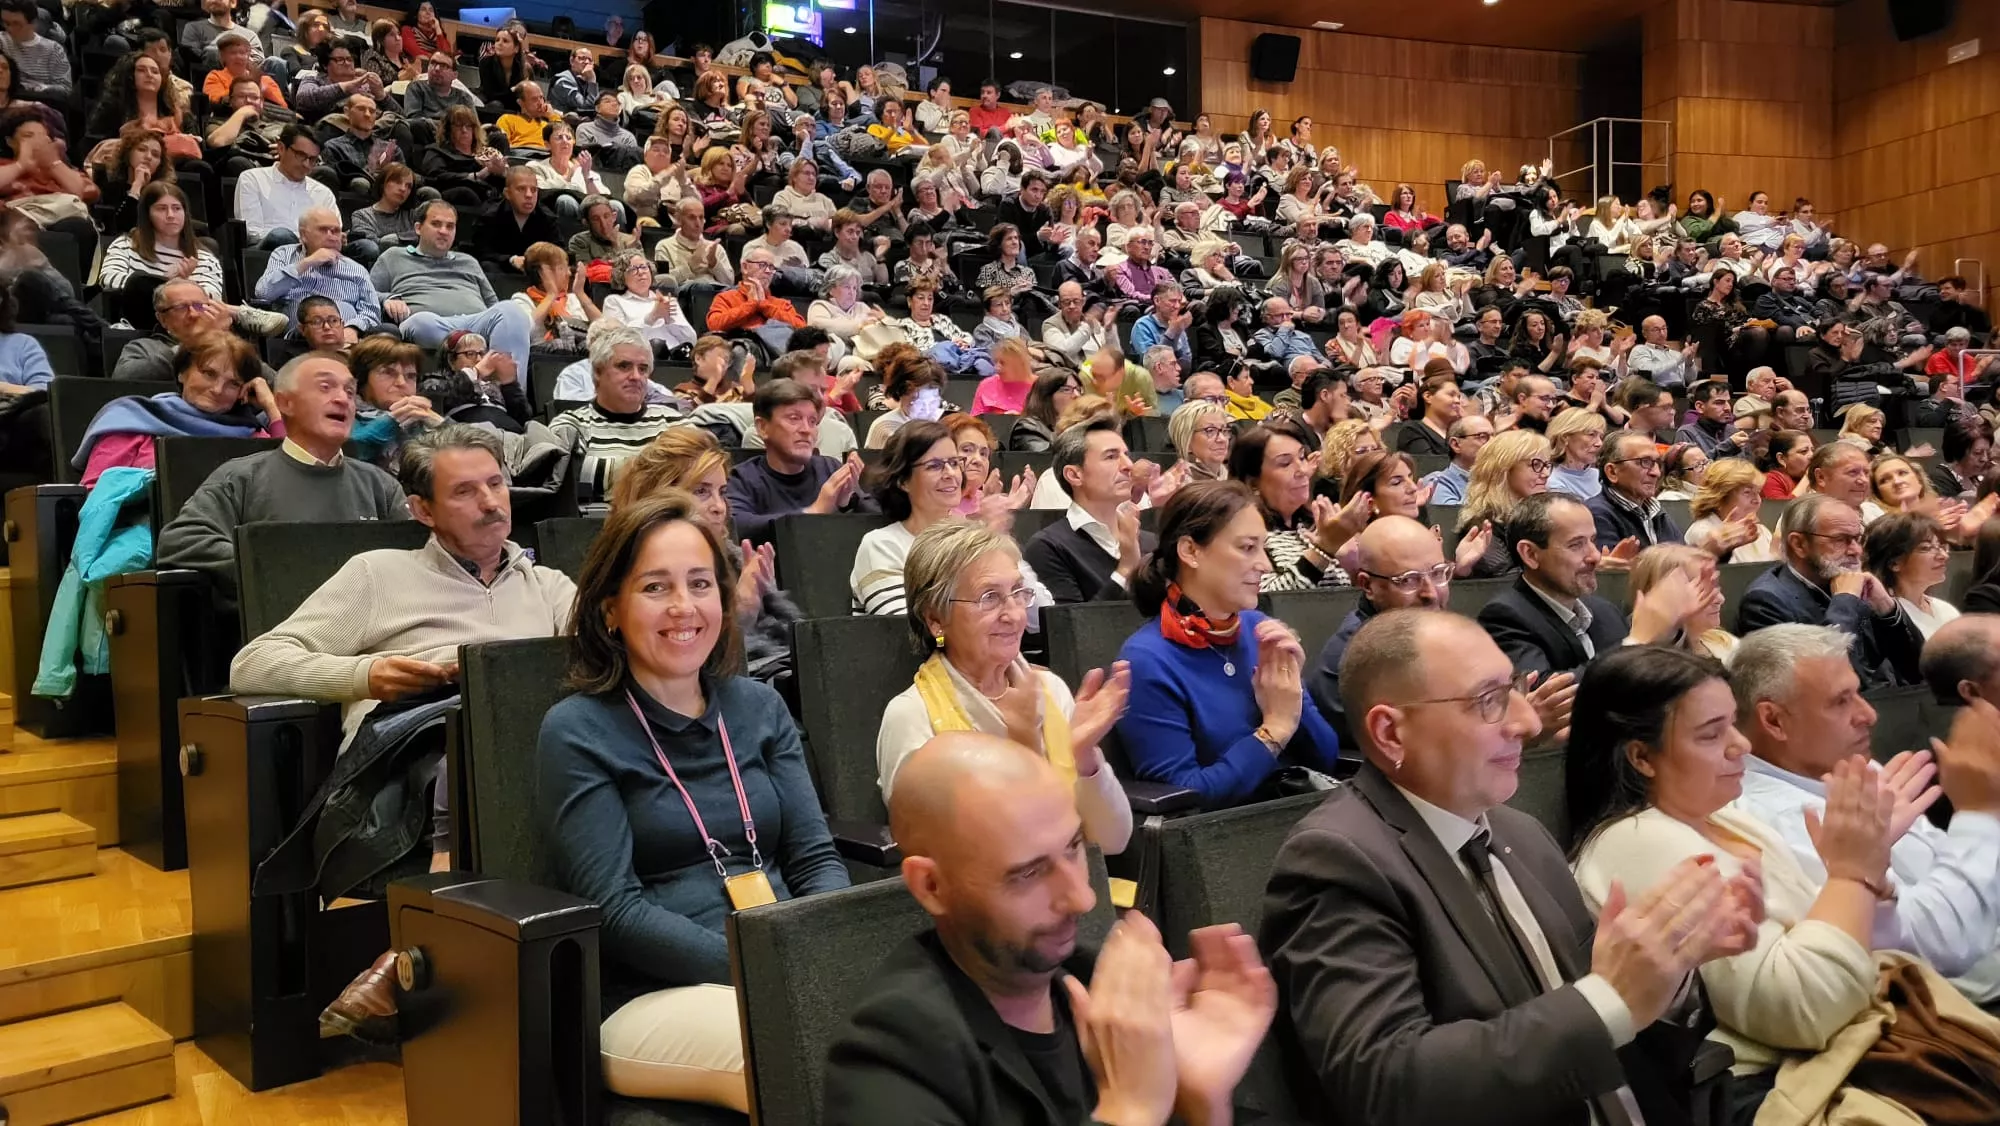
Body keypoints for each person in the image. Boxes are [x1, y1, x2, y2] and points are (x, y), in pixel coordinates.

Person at [1266, 610, 1753, 1125]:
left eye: (1516, 688)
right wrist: (1611, 997)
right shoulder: (1337, 859)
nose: (1529, 722)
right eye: (1490, 700)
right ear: (1391, 732)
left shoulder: (1522, 834)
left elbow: (1606, 1031)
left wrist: (1667, 973)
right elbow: (1387, 1082)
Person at [1565, 641, 2000, 1120]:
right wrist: (1855, 872)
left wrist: (1865, 872)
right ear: (1642, 758)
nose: (1742, 745)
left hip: (1854, 1051)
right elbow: (1803, 1009)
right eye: (1712, 735)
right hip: (1769, 1087)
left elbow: (1842, 946)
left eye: (1733, 722)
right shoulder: (1640, 840)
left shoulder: (1725, 820)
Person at [537, 490, 846, 1108]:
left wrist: (827, 950)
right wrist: (768, 966)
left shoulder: (760, 706)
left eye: (701, 584)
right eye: (655, 588)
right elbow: (616, 911)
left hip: (784, 962)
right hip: (651, 992)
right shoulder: (576, 730)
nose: (685, 607)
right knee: (815, 1051)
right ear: (610, 612)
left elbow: (815, 860)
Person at [824, 731, 1278, 1126]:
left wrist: (1202, 1103)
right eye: (1027, 873)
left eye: (1074, 846)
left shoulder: (1094, 984)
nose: (1083, 898)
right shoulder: (890, 1054)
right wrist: (1130, 1111)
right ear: (932, 885)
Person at [875, 519, 1133, 854]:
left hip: (1080, 888)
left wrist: (1083, 757)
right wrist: (1023, 744)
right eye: (989, 598)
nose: (1013, 614)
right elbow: (952, 858)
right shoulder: (911, 716)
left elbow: (1113, 841)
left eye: (1018, 592)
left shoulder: (1049, 690)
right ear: (935, 617)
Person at [1116, 480, 1346, 806]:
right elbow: (1185, 798)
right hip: (1228, 844)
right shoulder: (1146, 661)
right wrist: (1274, 730)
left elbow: (1325, 758)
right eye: (1248, 547)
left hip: (1300, 818)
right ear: (1191, 551)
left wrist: (1293, 698)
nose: (1265, 565)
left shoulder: (1260, 630)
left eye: (1263, 548)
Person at [158, 352, 409, 616]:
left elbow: (416, 558)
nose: (342, 399)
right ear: (284, 403)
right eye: (325, 387)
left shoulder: (380, 484)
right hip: (280, 634)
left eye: (349, 391)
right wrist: (281, 566)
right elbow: (181, 542)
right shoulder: (242, 477)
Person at [1477, 493, 1699, 678]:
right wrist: (1635, 642)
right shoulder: (1505, 617)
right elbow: (1553, 699)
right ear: (1531, 554)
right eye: (1576, 545)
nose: (1595, 557)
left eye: (1593, 541)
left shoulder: (1605, 610)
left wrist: (1667, 629)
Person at [1305, 515, 1477, 749]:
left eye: (1438, 574)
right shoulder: (1364, 657)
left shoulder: (1428, 633)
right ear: (1367, 585)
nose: (1431, 594)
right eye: (1408, 580)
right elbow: (1420, 750)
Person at [1736, 493, 1925, 689]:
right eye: (1840, 540)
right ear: (1799, 544)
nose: (1856, 551)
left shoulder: (1854, 582)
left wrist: (1887, 608)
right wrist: (1845, 602)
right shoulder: (1764, 602)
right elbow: (1821, 682)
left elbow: (1919, 668)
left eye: (1857, 539)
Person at [854, 422, 1041, 617]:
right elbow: (908, 627)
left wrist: (997, 544)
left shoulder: (978, 535)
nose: (951, 474)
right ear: (903, 481)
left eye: (954, 463)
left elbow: (1038, 617)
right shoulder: (882, 545)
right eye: (934, 466)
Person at [74, 333, 282, 486]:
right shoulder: (133, 421)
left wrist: (271, 406)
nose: (218, 389)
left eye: (233, 384)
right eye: (209, 374)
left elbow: (289, 479)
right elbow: (95, 496)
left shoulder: (251, 434)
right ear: (182, 373)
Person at [370, 201, 533, 378]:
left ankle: (510, 394)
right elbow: (368, 295)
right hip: (432, 324)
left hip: (475, 326)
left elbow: (493, 305)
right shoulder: (393, 256)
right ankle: (471, 375)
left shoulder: (469, 261)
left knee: (511, 310)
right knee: (421, 322)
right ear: (418, 228)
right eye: (436, 224)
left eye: (450, 226)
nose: (443, 231)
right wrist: (388, 298)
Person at [1021, 419, 1158, 605]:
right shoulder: (1048, 547)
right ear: (1075, 475)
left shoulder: (1150, 541)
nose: (1129, 466)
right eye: (1111, 457)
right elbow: (1073, 629)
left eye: (1126, 455)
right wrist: (1126, 569)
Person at [725, 378, 876, 544]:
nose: (806, 430)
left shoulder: (830, 469)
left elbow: (879, 520)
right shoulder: (742, 478)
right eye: (794, 418)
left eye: (812, 421)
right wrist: (813, 512)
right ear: (762, 427)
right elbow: (737, 527)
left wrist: (849, 501)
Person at [549, 323, 682, 505]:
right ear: (597, 372)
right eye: (624, 366)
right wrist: (666, 472)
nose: (636, 376)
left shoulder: (673, 421)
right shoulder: (571, 425)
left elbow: (702, 472)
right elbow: (570, 479)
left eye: (642, 369)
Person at [253, 206, 384, 339]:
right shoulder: (284, 255)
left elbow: (372, 312)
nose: (331, 236)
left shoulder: (356, 269)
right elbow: (263, 293)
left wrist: (353, 328)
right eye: (323, 230)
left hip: (345, 340)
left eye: (336, 231)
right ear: (303, 235)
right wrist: (307, 263)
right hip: (299, 340)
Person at [1456, 429, 1553, 577]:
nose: (1545, 474)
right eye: (1536, 464)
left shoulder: (1541, 518)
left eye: (1546, 465)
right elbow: (1504, 580)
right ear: (1504, 469)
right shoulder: (1483, 526)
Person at [1628, 543, 1739, 661]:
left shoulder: (1724, 642)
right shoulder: (1642, 659)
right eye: (1702, 589)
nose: (1721, 600)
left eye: (1715, 587)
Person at [234, 125, 337, 248]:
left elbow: (335, 233)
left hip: (315, 253)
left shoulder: (323, 193)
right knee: (280, 235)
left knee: (362, 246)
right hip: (266, 253)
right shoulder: (253, 179)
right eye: (300, 155)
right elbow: (252, 233)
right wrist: (305, 238)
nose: (306, 164)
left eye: (313, 159)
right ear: (281, 148)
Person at [1865, 510, 1961, 639]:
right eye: (1926, 548)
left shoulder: (1945, 609)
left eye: (1941, 546)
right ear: (1894, 563)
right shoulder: (1886, 618)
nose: (1944, 556)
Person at [1684, 457, 1779, 564]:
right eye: (1747, 492)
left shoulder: (1760, 530)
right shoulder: (1702, 532)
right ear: (1719, 497)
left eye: (1758, 492)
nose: (1757, 500)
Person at [1543, 408, 1606, 501]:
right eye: (1591, 434)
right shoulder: (1554, 483)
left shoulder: (1599, 475)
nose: (1599, 443)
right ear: (1565, 437)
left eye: (1601, 437)